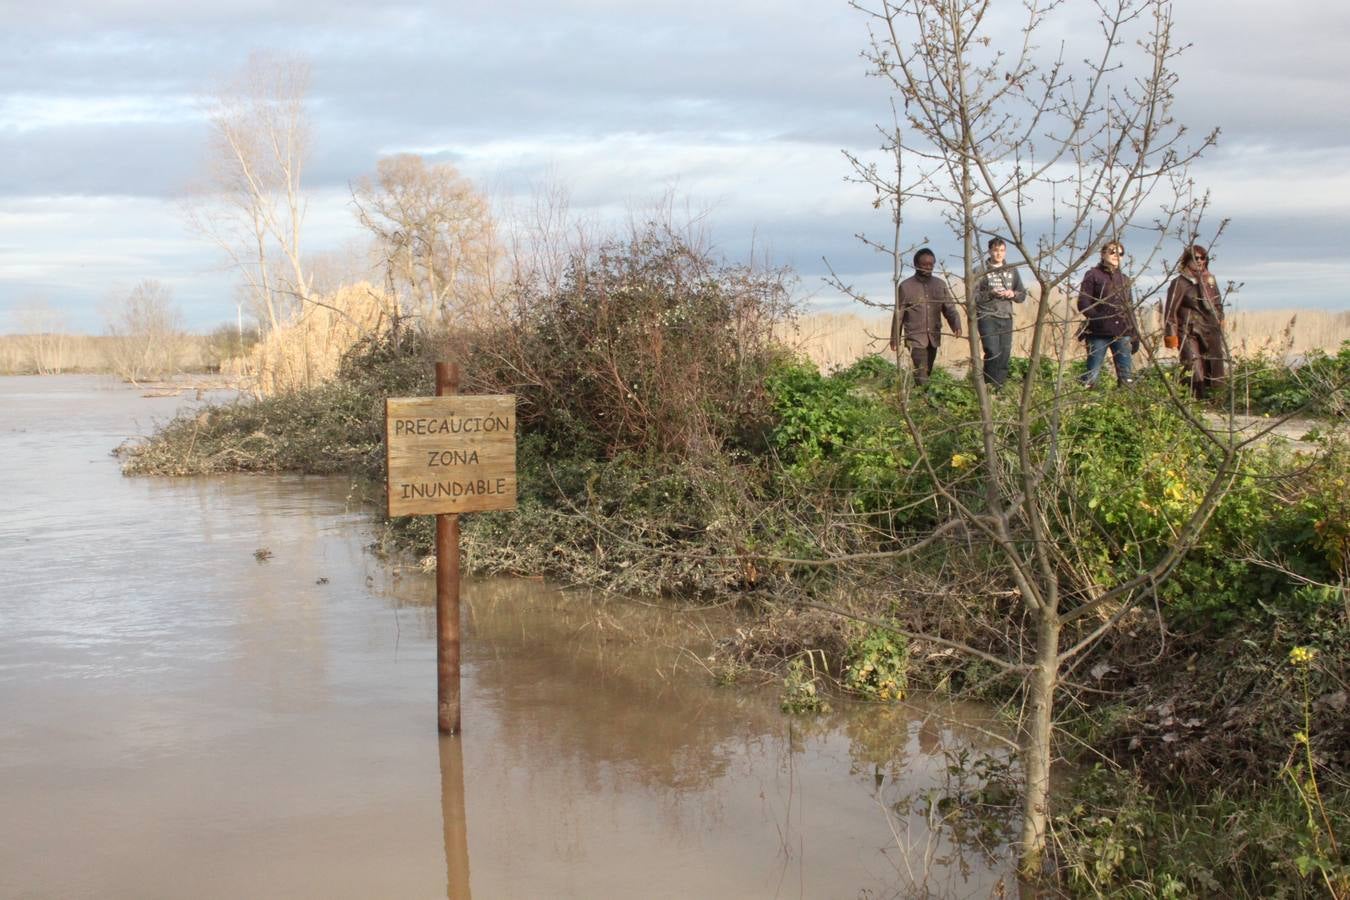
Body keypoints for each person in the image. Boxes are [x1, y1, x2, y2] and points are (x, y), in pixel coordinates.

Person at [890, 248, 963, 384]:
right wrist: (895, 338)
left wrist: (956, 324)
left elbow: (949, 308)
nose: (928, 268)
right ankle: (924, 398)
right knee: (921, 371)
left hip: (934, 336)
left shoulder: (940, 284)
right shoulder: (905, 286)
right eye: (924, 264)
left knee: (927, 371)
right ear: (916, 264)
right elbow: (898, 314)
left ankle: (920, 397)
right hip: (915, 337)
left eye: (931, 265)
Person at [1163, 243, 1225, 399]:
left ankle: (1216, 400)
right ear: (1187, 259)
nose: (1200, 261)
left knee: (1215, 366)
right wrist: (1171, 337)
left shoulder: (1210, 280)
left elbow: (1218, 303)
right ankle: (1194, 402)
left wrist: (1220, 319)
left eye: (1203, 258)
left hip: (1210, 330)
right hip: (1189, 330)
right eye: (1196, 258)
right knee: (1193, 367)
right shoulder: (1179, 282)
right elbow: (1171, 311)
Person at [1076, 240, 1139, 387]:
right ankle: (1088, 406)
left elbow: (1129, 309)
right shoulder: (1092, 275)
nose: (1116, 255)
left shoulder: (1124, 279)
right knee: (1092, 376)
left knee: (1126, 377)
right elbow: (1083, 303)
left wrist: (1135, 334)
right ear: (1103, 254)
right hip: (1098, 333)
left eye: (1120, 253)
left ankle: (1126, 405)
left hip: (1122, 333)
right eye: (1112, 252)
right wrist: (1098, 319)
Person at [973, 236, 1027, 388]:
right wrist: (991, 293)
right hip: (987, 316)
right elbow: (973, 297)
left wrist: (1013, 294)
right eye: (996, 251)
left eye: (1002, 251)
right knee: (992, 351)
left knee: (1004, 354)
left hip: (1006, 316)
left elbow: (1022, 294)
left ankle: (999, 388)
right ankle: (988, 386)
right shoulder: (980, 271)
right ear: (990, 251)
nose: (999, 254)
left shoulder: (1011, 270)